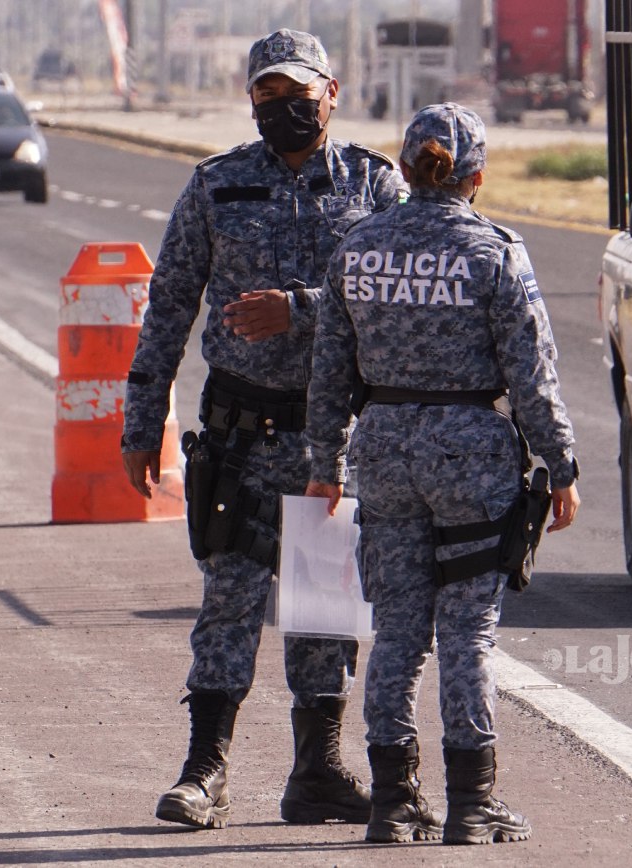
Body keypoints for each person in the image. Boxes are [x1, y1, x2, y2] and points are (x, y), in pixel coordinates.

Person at [121, 29, 405, 830]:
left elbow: (392, 298)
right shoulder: (217, 185)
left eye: (298, 93)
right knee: (229, 604)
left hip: (331, 439)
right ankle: (204, 770)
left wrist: (301, 307)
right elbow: (169, 304)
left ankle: (317, 771)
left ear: (332, 91)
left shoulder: (374, 187)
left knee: (325, 612)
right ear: (250, 102)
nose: (284, 110)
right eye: (267, 96)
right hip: (241, 432)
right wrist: (141, 421)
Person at [304, 103, 581, 845]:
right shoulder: (494, 251)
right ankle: (471, 801)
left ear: (403, 169)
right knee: (468, 635)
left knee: (396, 631)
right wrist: (560, 463)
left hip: (384, 451)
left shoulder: (357, 248)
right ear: (477, 176)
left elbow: (330, 371)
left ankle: (393, 802)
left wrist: (325, 464)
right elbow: (532, 374)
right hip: (470, 457)